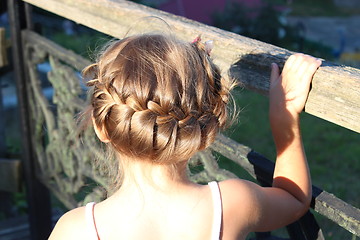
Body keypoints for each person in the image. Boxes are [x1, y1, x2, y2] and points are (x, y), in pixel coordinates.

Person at [48, 33, 322, 240]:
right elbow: (294, 200)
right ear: (201, 128)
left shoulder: (75, 230)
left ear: (102, 127)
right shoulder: (231, 203)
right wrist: (283, 118)